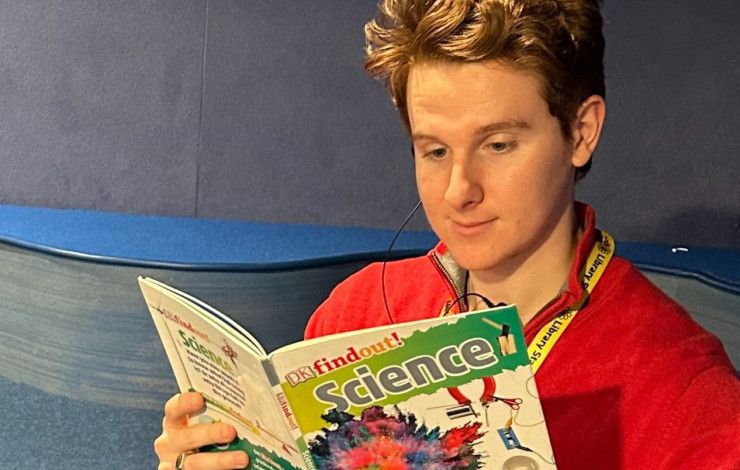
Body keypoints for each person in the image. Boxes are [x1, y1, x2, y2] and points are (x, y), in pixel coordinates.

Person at [155, 1, 739, 469]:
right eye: (434, 150)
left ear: (581, 132)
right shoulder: (356, 314)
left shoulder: (683, 391)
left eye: (498, 144)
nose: (460, 189)